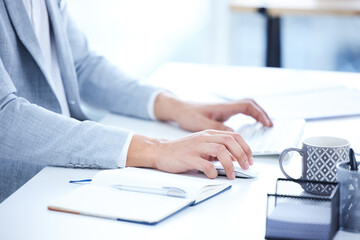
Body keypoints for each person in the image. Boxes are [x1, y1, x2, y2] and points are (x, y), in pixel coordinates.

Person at [0, 0, 273, 202]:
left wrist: (175, 108)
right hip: (18, 194)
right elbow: (4, 117)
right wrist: (155, 150)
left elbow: (80, 65)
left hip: (60, 174)